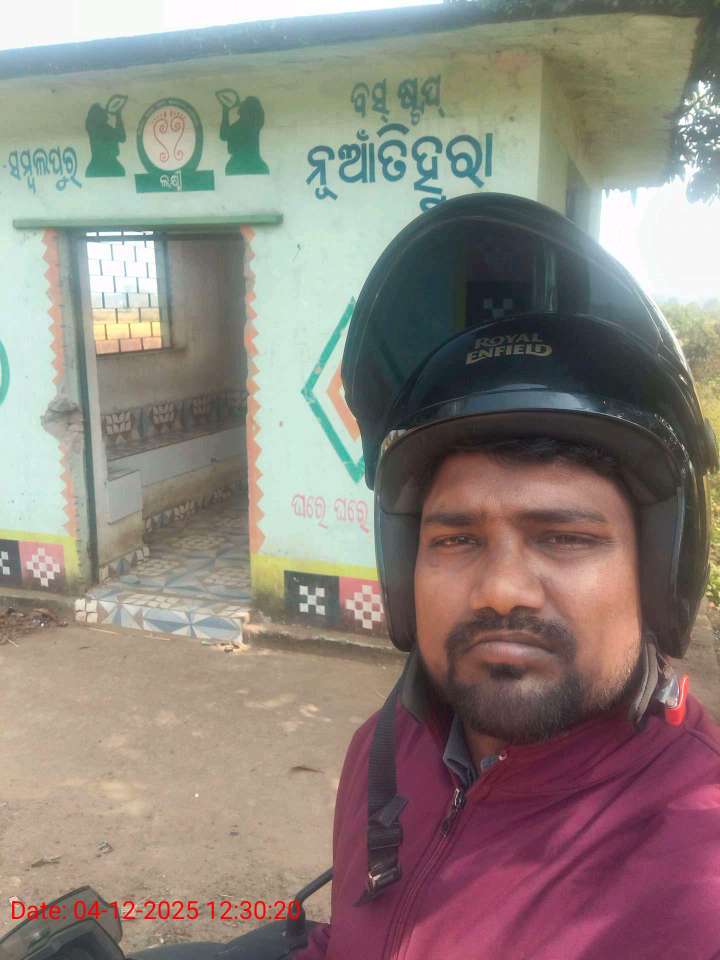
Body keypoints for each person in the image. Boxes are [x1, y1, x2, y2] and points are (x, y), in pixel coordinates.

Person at [296, 194, 720, 958]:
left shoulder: (697, 879)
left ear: (657, 573)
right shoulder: (387, 748)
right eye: (456, 539)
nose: (500, 590)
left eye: (564, 538)